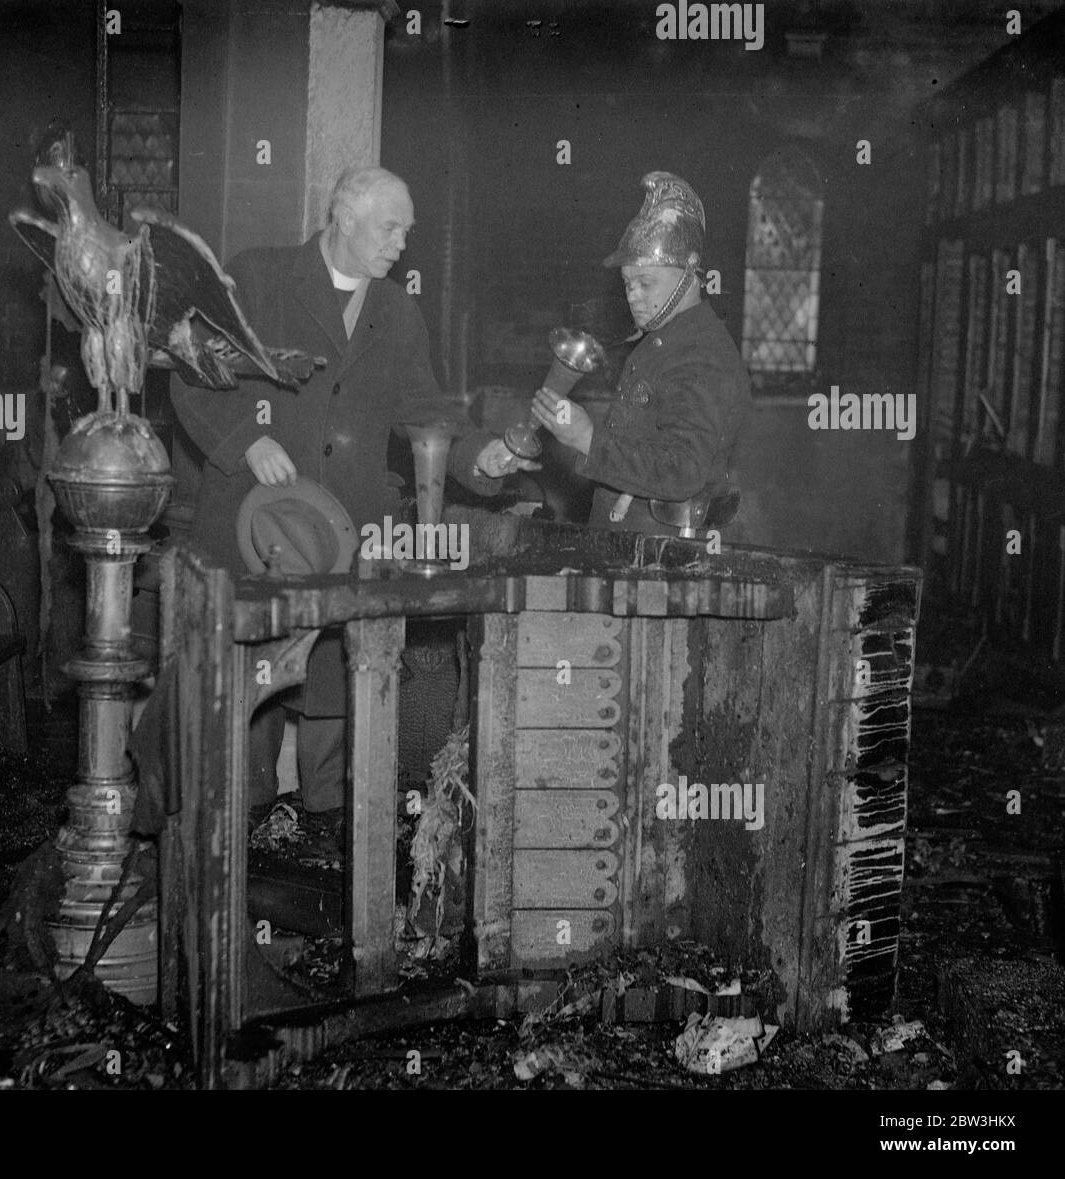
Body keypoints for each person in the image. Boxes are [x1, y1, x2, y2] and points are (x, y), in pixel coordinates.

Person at [170, 165, 532, 839]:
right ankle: (240, 840)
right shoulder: (256, 276)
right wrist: (249, 441)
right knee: (246, 693)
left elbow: (424, 410)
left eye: (407, 232)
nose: (400, 244)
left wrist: (479, 455)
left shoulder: (396, 311)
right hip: (255, 525)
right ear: (343, 215)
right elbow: (191, 374)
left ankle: (328, 845)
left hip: (345, 539)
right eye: (390, 227)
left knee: (336, 690)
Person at [531, 171, 751, 535]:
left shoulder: (704, 357)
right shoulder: (663, 340)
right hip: (631, 539)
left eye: (645, 283)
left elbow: (683, 471)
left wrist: (588, 439)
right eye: (628, 283)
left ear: (689, 273)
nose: (633, 295)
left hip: (664, 552)